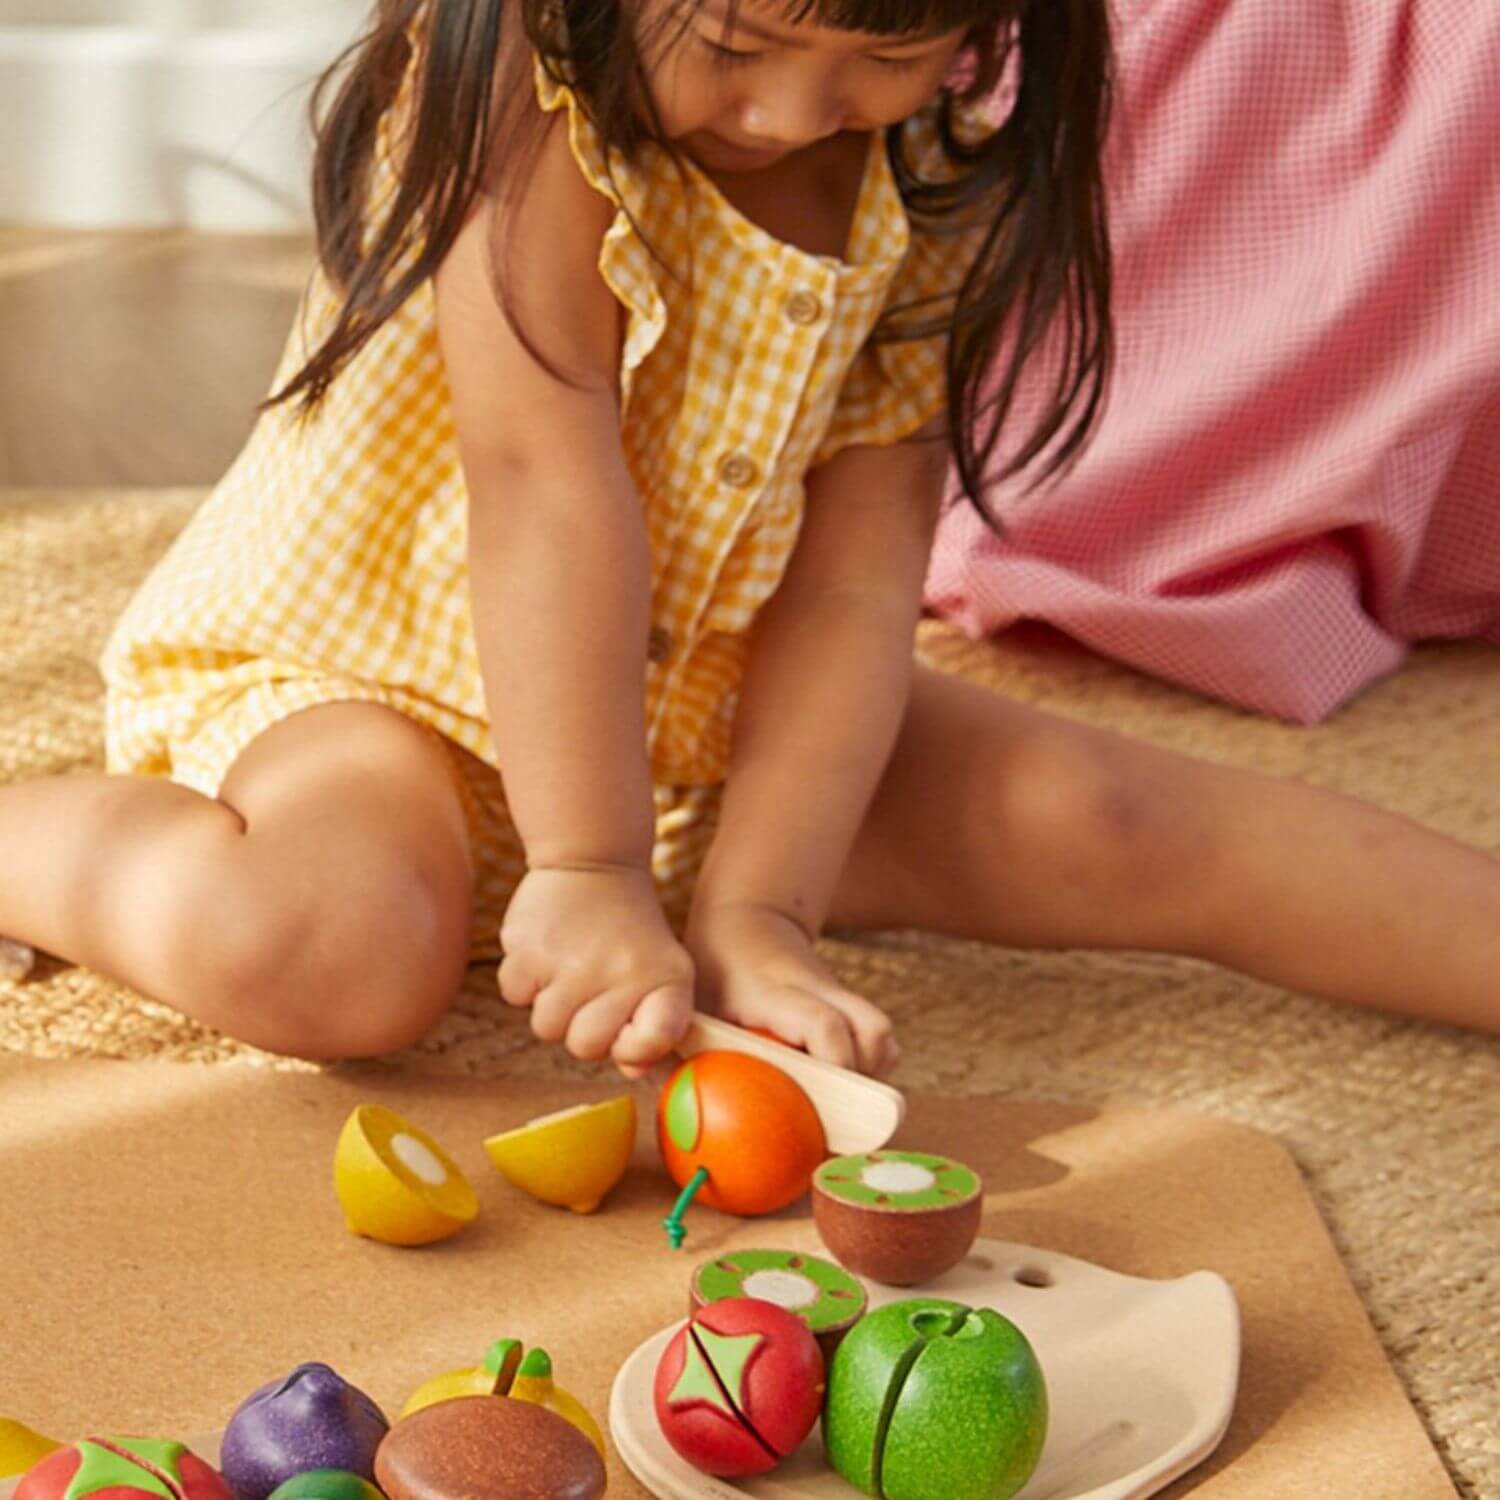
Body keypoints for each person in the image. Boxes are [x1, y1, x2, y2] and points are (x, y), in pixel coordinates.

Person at [0, 0, 1494, 1078]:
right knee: (337, 952)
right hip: (363, 682)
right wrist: (586, 872)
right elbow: (540, 485)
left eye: (884, 57)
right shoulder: (527, 91)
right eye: (736, 48)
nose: (791, 113)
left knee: (1119, 823)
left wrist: (760, 909)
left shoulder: (932, 184)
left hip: (694, 717)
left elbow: (854, 584)